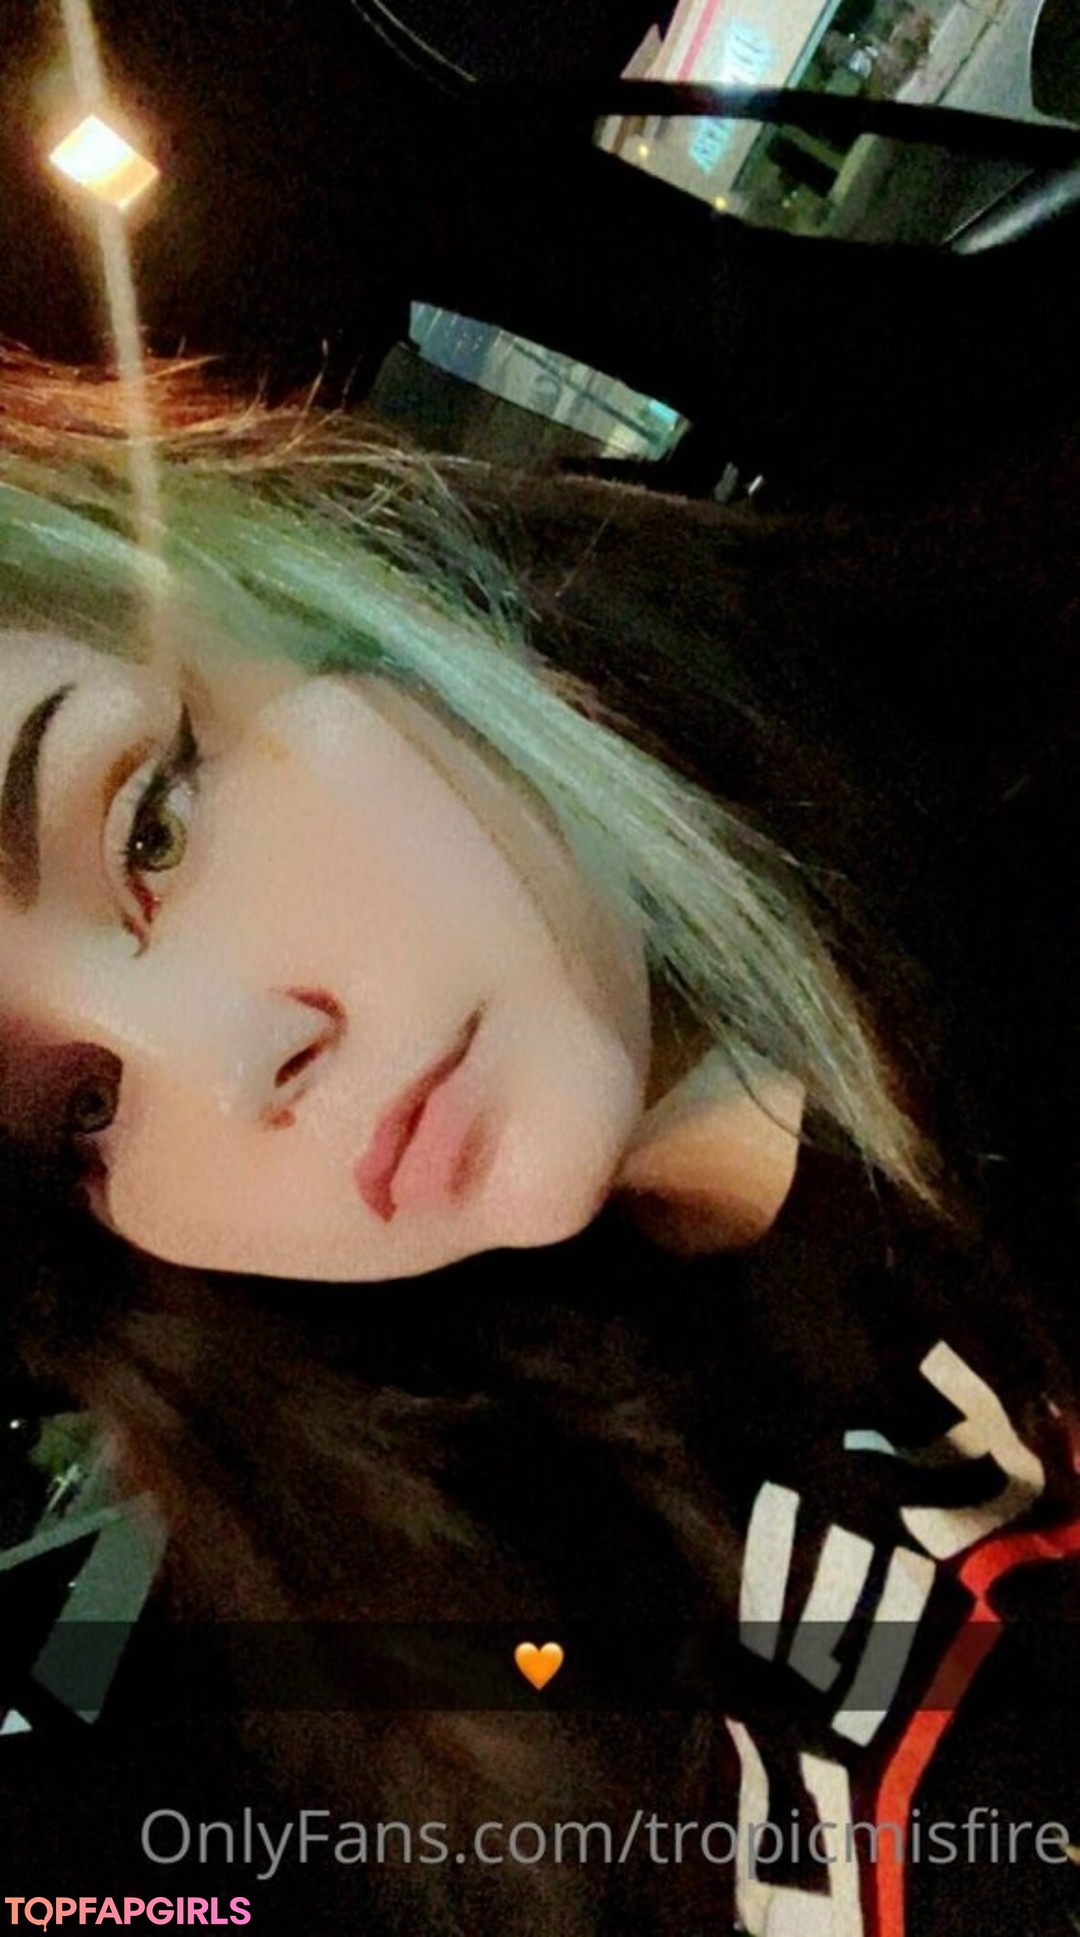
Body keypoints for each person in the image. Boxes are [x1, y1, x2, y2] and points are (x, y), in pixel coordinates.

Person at [0, 348, 1076, 1937]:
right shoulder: (445, 1628)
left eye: (148, 823)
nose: (233, 1067)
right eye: (85, 1110)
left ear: (311, 574)